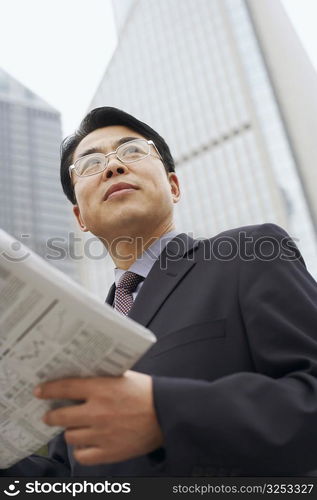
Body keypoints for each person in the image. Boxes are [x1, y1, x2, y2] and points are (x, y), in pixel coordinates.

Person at [2, 106, 317, 477]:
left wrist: (164, 412)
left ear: (173, 186)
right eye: (90, 163)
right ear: (80, 219)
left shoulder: (249, 253)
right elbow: (66, 477)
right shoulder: (75, 334)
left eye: (132, 151)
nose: (113, 166)